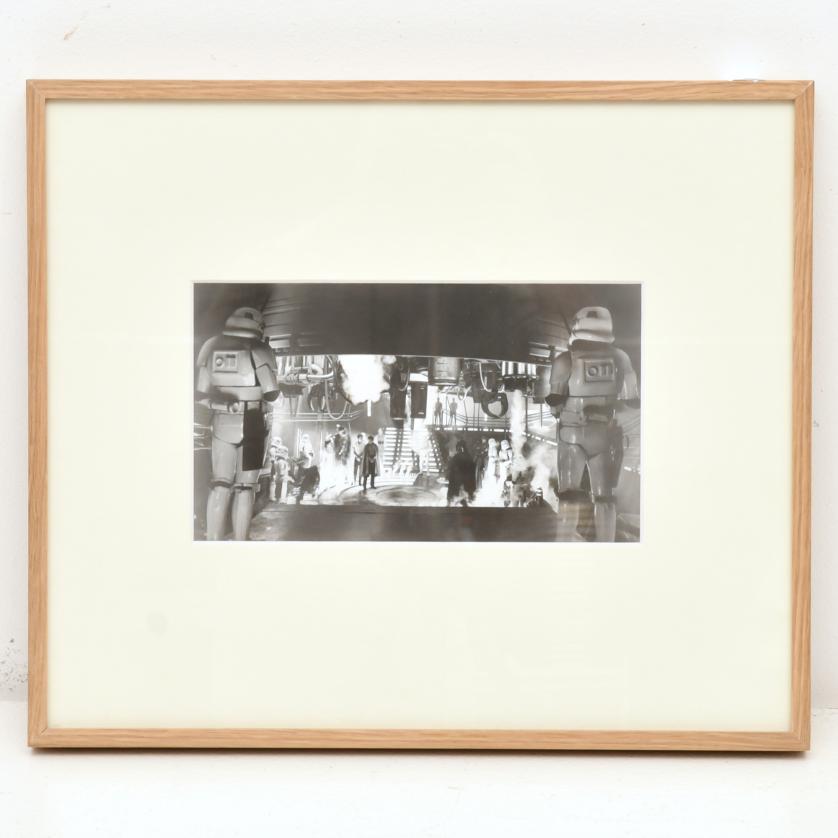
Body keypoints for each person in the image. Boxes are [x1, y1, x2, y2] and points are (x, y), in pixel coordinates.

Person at [546, 305, 639, 542]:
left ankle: (564, 544)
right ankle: (605, 545)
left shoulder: (565, 361)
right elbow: (631, 401)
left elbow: (555, 404)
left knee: (569, 496)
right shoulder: (621, 358)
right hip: (604, 436)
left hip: (572, 436)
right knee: (605, 498)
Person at [196, 306, 279, 540]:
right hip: (253, 423)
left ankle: (212, 541)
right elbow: (272, 392)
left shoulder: (210, 346)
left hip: (221, 421)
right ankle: (241, 541)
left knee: (220, 484)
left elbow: (200, 394)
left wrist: (221, 404)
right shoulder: (261, 349)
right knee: (245, 488)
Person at [447, 440, 476, 506]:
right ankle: (464, 499)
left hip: (460, 481)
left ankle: (459, 499)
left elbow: (452, 468)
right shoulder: (468, 457)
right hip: (464, 481)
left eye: (459, 448)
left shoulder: (457, 457)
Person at [295, 433, 319, 503]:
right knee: (303, 476)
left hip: (308, 461)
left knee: (308, 476)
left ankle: (309, 491)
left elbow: (312, 451)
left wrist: (311, 455)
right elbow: (302, 452)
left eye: (307, 438)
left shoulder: (309, 444)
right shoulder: (301, 444)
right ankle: (302, 492)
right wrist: (307, 456)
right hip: (303, 461)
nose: (306, 439)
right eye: (304, 438)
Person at [268, 437, 289, 502]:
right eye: (278, 441)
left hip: (275, 468)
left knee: (274, 483)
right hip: (274, 468)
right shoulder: (273, 449)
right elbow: (273, 458)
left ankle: (275, 496)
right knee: (274, 483)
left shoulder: (275, 449)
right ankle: (274, 497)